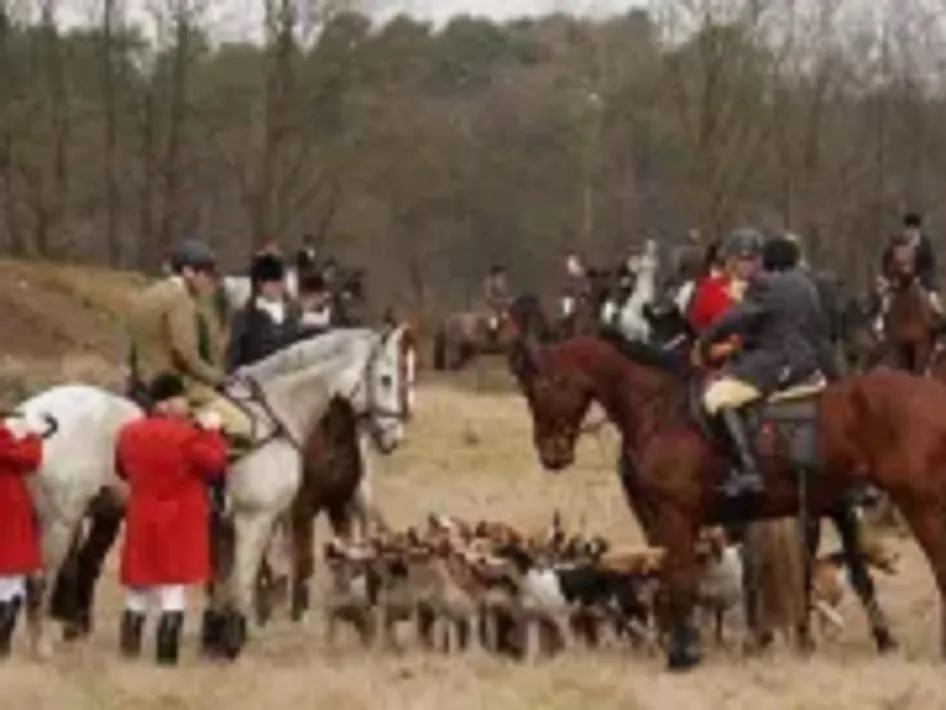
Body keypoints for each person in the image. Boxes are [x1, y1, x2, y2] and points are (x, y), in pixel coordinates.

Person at [695, 227, 822, 495]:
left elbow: (735, 318)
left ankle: (748, 470)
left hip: (776, 364)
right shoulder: (807, 284)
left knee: (717, 398)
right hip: (809, 363)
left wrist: (705, 340)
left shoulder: (765, 285)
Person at [116, 372, 228, 666]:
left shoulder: (128, 432)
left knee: (137, 590)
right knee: (172, 591)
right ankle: (165, 663)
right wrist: (212, 432)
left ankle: (129, 655)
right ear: (165, 403)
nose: (185, 405)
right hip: (178, 519)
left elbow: (121, 469)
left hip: (141, 516)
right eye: (180, 399)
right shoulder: (187, 435)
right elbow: (215, 464)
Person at [125, 238, 253, 454]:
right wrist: (218, 378)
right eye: (205, 274)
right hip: (172, 384)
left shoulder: (150, 293)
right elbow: (186, 353)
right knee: (243, 425)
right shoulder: (180, 297)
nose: (207, 281)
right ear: (187, 272)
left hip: (141, 381)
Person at [0, 414, 45, 659]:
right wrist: (32, 436)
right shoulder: (4, 437)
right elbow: (30, 459)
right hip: (7, 507)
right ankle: (2, 641)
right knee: (11, 579)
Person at [227, 253, 302, 371]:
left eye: (280, 281)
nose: (279, 286)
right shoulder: (246, 317)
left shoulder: (293, 313)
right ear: (260, 284)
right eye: (273, 282)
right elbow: (234, 356)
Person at [876, 212, 942, 332]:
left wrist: (920, 277)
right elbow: (887, 259)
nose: (911, 231)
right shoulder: (898, 243)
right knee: (886, 300)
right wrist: (889, 276)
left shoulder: (925, 244)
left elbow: (930, 265)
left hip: (923, 281)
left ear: (918, 229)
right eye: (909, 228)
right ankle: (880, 324)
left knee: (934, 302)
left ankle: (940, 329)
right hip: (900, 281)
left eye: (914, 228)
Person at [482, 264, 510, 335]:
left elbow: (504, 294)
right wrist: (497, 301)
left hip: (501, 306)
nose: (503, 275)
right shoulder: (488, 282)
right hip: (491, 307)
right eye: (501, 273)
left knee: (507, 318)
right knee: (493, 322)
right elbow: (487, 296)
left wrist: (506, 300)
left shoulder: (502, 282)